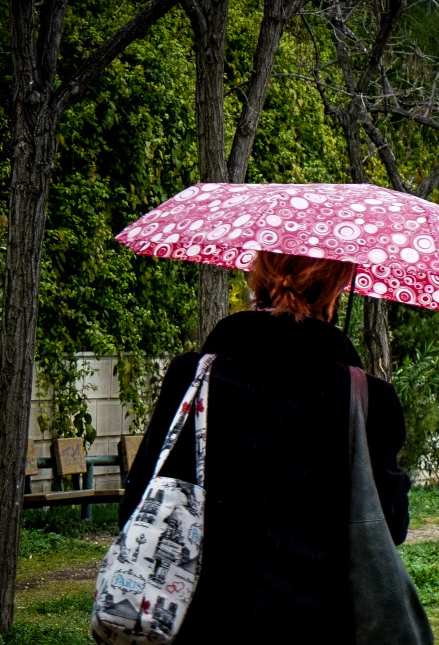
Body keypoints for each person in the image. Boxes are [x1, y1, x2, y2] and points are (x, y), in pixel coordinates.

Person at [118, 252, 411, 643]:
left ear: (257, 281)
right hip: (320, 627)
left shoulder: (193, 380)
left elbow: (137, 504)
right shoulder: (367, 398)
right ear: (336, 292)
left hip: (202, 623)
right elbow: (391, 525)